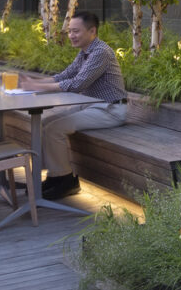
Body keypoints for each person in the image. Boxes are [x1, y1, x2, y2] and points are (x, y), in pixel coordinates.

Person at [19, 11, 125, 199]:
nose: (71, 36)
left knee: (55, 129)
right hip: (90, 105)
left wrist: (36, 86)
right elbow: (65, 75)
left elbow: (77, 84)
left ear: (92, 31)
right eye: (69, 31)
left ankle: (66, 180)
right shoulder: (85, 52)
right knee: (46, 122)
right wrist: (35, 83)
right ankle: (55, 176)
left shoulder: (100, 52)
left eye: (76, 31)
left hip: (110, 109)